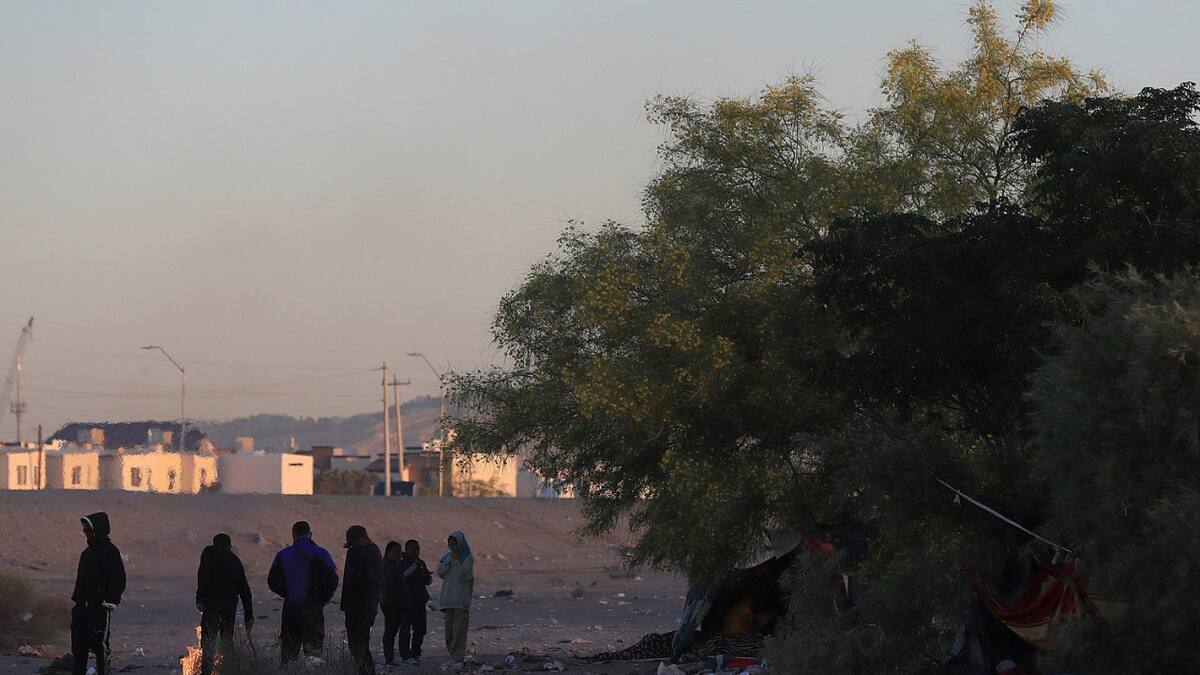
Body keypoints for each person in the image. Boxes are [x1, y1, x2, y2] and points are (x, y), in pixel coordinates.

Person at [267, 521, 339, 665]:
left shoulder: (283, 554)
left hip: (291, 608)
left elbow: (272, 581)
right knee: (313, 655)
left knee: (289, 654)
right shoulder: (321, 553)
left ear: (293, 534)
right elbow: (333, 580)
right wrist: (321, 599)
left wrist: (287, 593)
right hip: (313, 609)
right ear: (310, 534)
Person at [71, 512, 127, 675]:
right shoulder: (87, 553)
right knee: (78, 646)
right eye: (85, 531)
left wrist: (110, 601)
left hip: (98, 607)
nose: (86, 534)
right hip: (82, 606)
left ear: (99, 530)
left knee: (100, 647)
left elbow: (118, 578)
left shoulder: (109, 551)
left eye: (89, 531)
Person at [195, 533, 254, 675]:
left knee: (209, 642)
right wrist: (249, 615)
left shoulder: (209, 553)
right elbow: (245, 590)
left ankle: (207, 672)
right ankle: (229, 670)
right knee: (227, 642)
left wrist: (199, 599)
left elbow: (203, 576)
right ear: (230, 546)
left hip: (212, 605)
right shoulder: (235, 561)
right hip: (229, 608)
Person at [341, 525, 382, 675]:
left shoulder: (366, 553)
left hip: (361, 608)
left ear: (360, 538)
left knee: (359, 644)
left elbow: (360, 581)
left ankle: (366, 671)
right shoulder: (369, 551)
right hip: (362, 606)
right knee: (359, 644)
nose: (353, 546)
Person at [436, 530, 474, 666]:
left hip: (461, 601)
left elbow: (464, 576)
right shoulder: (447, 557)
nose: (452, 547)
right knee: (449, 632)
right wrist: (449, 561)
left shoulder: (467, 558)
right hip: (448, 600)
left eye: (454, 544)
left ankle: (458, 657)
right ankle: (452, 655)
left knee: (459, 631)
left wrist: (457, 561)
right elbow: (439, 572)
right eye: (450, 544)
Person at [398, 539, 432, 666]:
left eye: (418, 549)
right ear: (406, 550)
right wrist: (414, 566)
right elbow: (403, 576)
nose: (416, 551)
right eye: (413, 549)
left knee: (420, 629)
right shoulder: (402, 562)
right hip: (407, 601)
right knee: (406, 629)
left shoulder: (421, 562)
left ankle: (415, 652)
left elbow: (427, 579)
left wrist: (427, 578)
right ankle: (405, 654)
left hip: (420, 600)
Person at [380, 541, 410, 667]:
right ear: (388, 552)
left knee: (392, 630)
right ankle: (389, 658)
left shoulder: (394, 565)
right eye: (395, 551)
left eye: (399, 551)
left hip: (396, 603)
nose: (398, 554)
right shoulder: (386, 566)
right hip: (391, 603)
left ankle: (391, 658)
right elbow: (390, 587)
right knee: (390, 631)